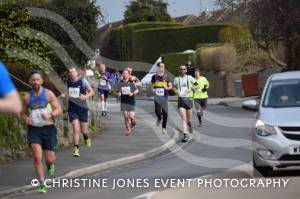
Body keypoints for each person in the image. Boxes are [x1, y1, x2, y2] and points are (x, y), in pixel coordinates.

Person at [22, 71, 62, 193]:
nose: (35, 82)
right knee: (37, 156)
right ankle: (42, 183)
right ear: (30, 82)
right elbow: (23, 112)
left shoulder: (48, 94)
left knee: (49, 159)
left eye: (38, 79)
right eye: (33, 80)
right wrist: (26, 118)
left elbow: (59, 108)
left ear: (42, 81)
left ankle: (50, 165)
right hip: (34, 130)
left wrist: (50, 114)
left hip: (48, 128)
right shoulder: (27, 97)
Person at [62, 67, 94, 157]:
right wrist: (64, 94)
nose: (71, 74)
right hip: (72, 109)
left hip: (83, 108)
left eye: (73, 72)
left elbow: (92, 91)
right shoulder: (68, 82)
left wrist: (85, 96)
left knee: (84, 131)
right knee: (76, 129)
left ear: (76, 72)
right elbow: (67, 92)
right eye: (70, 72)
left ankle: (86, 138)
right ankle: (76, 149)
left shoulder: (83, 81)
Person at [173, 65, 196, 142]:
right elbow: (173, 87)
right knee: (183, 117)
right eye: (181, 69)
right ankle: (185, 135)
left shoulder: (189, 78)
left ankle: (189, 124)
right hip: (181, 99)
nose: (182, 70)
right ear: (179, 70)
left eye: (184, 69)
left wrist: (191, 89)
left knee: (189, 119)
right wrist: (175, 91)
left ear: (186, 70)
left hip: (189, 99)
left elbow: (197, 86)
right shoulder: (176, 79)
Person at [151, 62, 172, 134]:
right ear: (158, 67)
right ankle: (159, 118)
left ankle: (164, 128)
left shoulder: (166, 77)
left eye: (163, 66)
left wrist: (167, 88)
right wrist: (153, 89)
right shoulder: (154, 77)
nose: (162, 68)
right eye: (160, 66)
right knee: (157, 112)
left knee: (165, 113)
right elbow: (152, 86)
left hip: (164, 97)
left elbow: (170, 86)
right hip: (157, 97)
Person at [116, 69, 139, 136]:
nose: (125, 74)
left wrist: (132, 93)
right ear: (122, 75)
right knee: (126, 117)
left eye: (126, 73)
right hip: (123, 101)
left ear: (128, 75)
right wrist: (119, 94)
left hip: (130, 101)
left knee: (131, 117)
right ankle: (128, 130)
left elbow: (137, 90)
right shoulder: (120, 83)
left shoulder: (131, 82)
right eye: (124, 73)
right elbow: (118, 91)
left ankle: (133, 122)